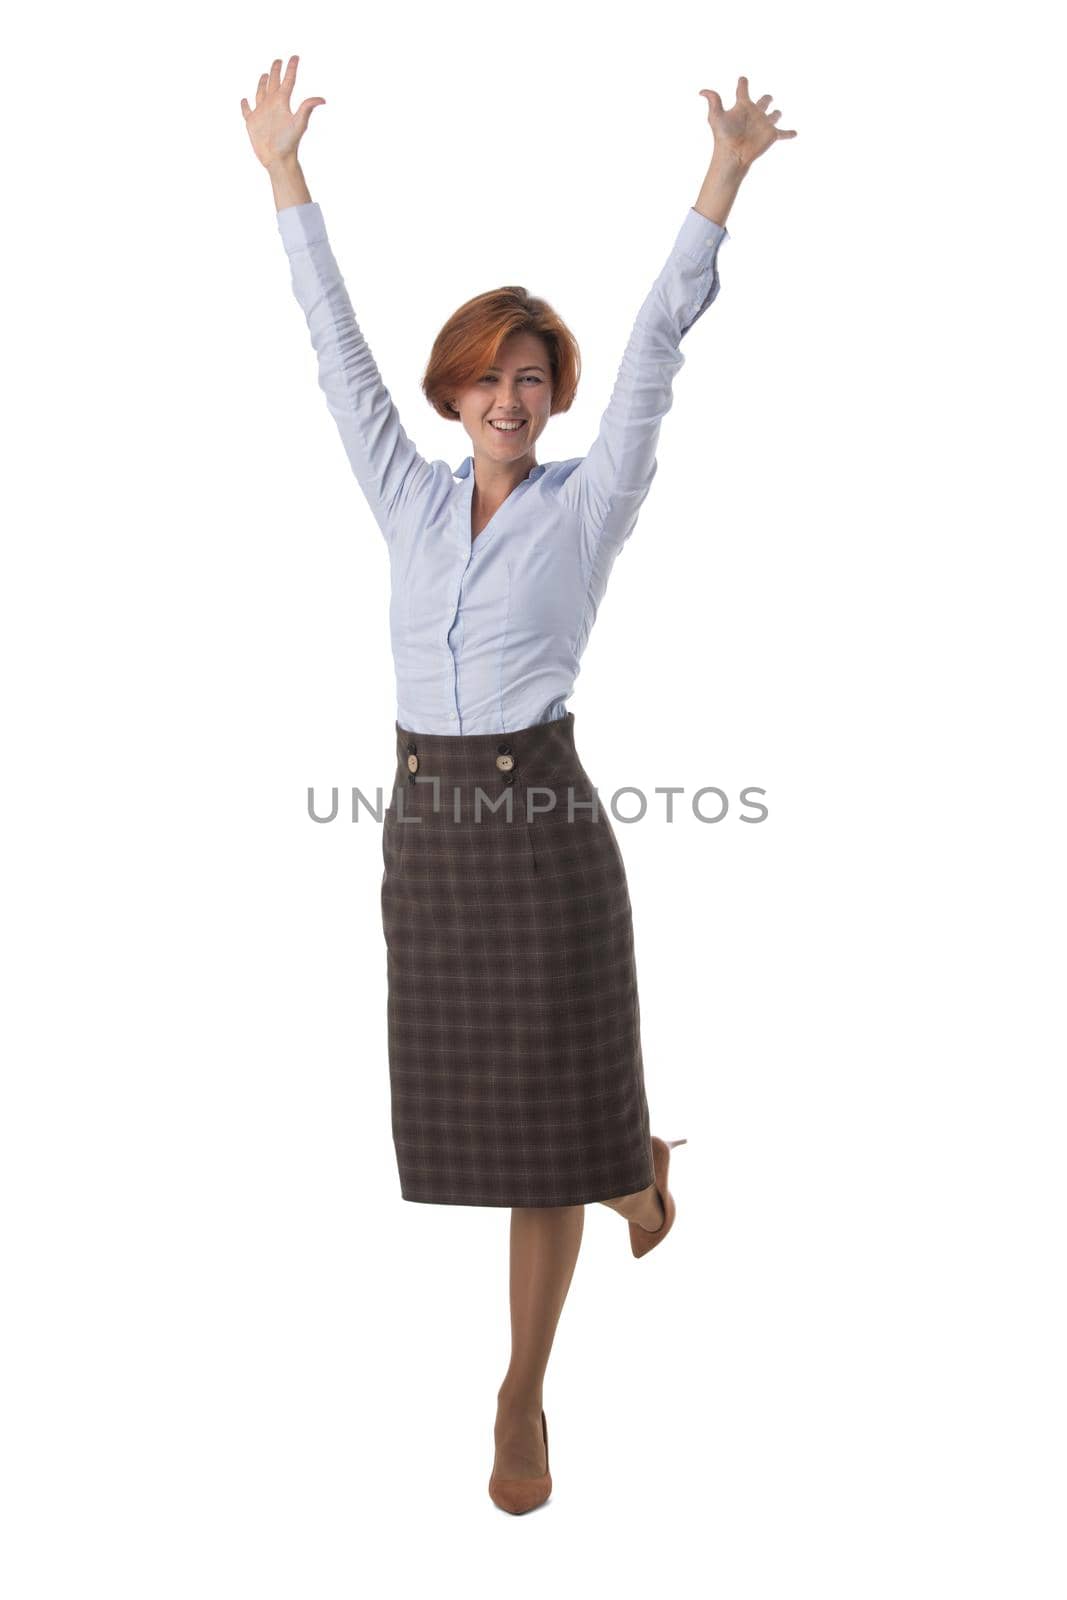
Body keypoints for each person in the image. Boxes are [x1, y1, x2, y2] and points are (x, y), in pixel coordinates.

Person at [242, 56, 796, 1515]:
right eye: (488, 373)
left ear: (554, 397)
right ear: (459, 389)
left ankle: (522, 1392)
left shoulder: (589, 502)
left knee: (547, 1134)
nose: (509, 393)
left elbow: (661, 350)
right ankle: (637, 1171)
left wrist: (721, 182)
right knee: (511, 1120)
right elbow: (334, 354)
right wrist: (285, 177)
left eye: (532, 374)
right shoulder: (408, 494)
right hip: (428, 830)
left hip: (543, 824)